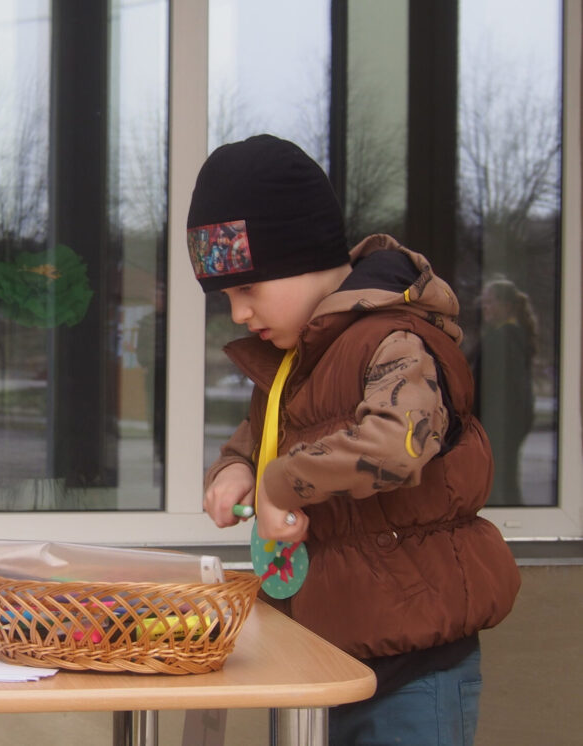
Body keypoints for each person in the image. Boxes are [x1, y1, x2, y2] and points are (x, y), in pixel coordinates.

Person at [189, 135, 520, 745]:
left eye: (249, 289)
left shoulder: (394, 339)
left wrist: (279, 485)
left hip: (412, 669)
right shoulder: (294, 359)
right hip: (318, 658)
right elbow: (263, 438)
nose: (238, 314)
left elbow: (397, 443)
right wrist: (236, 469)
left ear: (304, 258)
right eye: (227, 296)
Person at [471, 277, 538, 504]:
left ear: (507, 306)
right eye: (484, 302)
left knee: (500, 481)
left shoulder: (504, 339)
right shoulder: (508, 337)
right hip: (505, 422)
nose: (485, 307)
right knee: (504, 478)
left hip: (501, 423)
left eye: (490, 302)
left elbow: (504, 388)